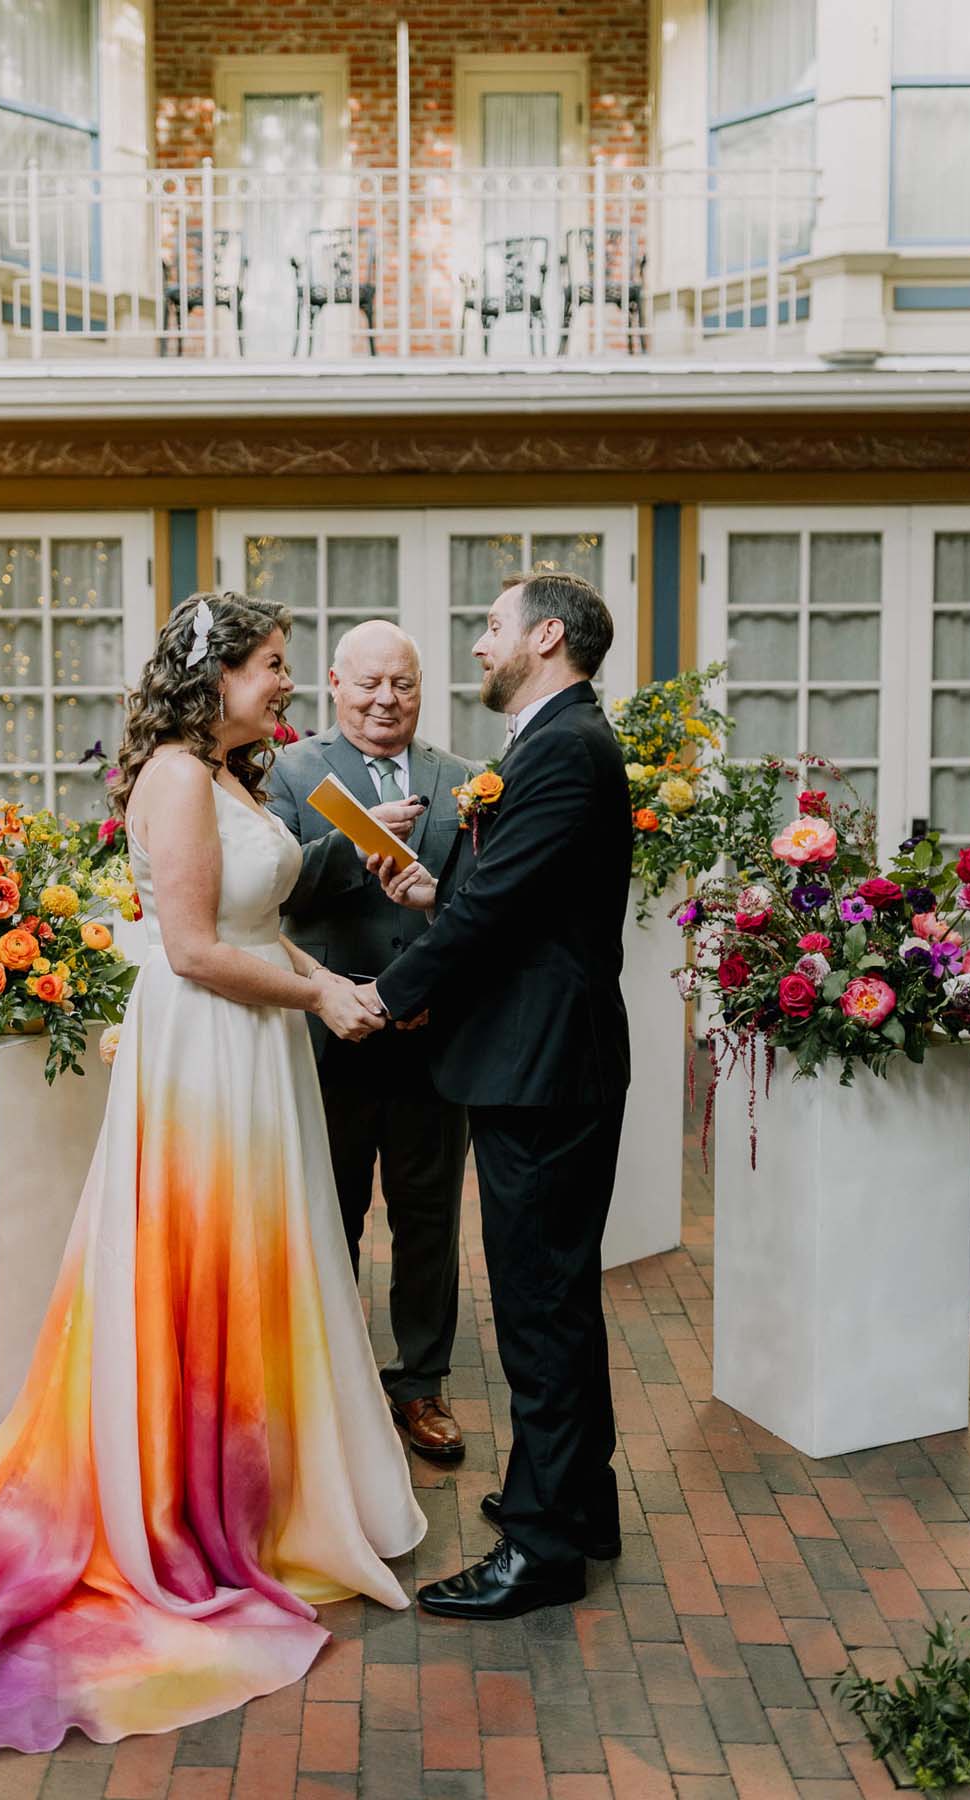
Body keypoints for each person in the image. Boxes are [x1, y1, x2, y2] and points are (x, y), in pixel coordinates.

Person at [0, 593, 425, 1755]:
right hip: (207, 1054)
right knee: (208, 1266)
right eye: (277, 666)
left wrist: (317, 984)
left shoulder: (236, 776)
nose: (288, 685)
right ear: (221, 674)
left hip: (257, 1046)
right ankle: (190, 1502)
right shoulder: (182, 782)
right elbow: (192, 951)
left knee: (267, 1264)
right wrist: (320, 994)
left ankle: (260, 1483)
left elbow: (254, 921)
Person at [360, 570, 631, 1622]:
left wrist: (380, 998)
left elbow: (496, 924)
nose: (478, 645)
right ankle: (576, 1503)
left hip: (544, 1069)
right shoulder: (559, 739)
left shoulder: (564, 747)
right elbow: (514, 898)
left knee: (538, 1309)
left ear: (546, 635)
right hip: (546, 1060)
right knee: (555, 1299)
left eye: (490, 625)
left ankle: (543, 1550)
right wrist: (437, 890)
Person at [267, 621, 472, 1463]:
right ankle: (335, 1385)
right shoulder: (292, 771)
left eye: (405, 684)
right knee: (332, 1213)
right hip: (332, 1032)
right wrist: (352, 845)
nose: (387, 700)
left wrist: (431, 991)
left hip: (429, 1037)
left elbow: (474, 902)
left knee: (429, 1219)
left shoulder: (461, 781)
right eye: (369, 684)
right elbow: (281, 893)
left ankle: (420, 1384)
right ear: (335, 683)